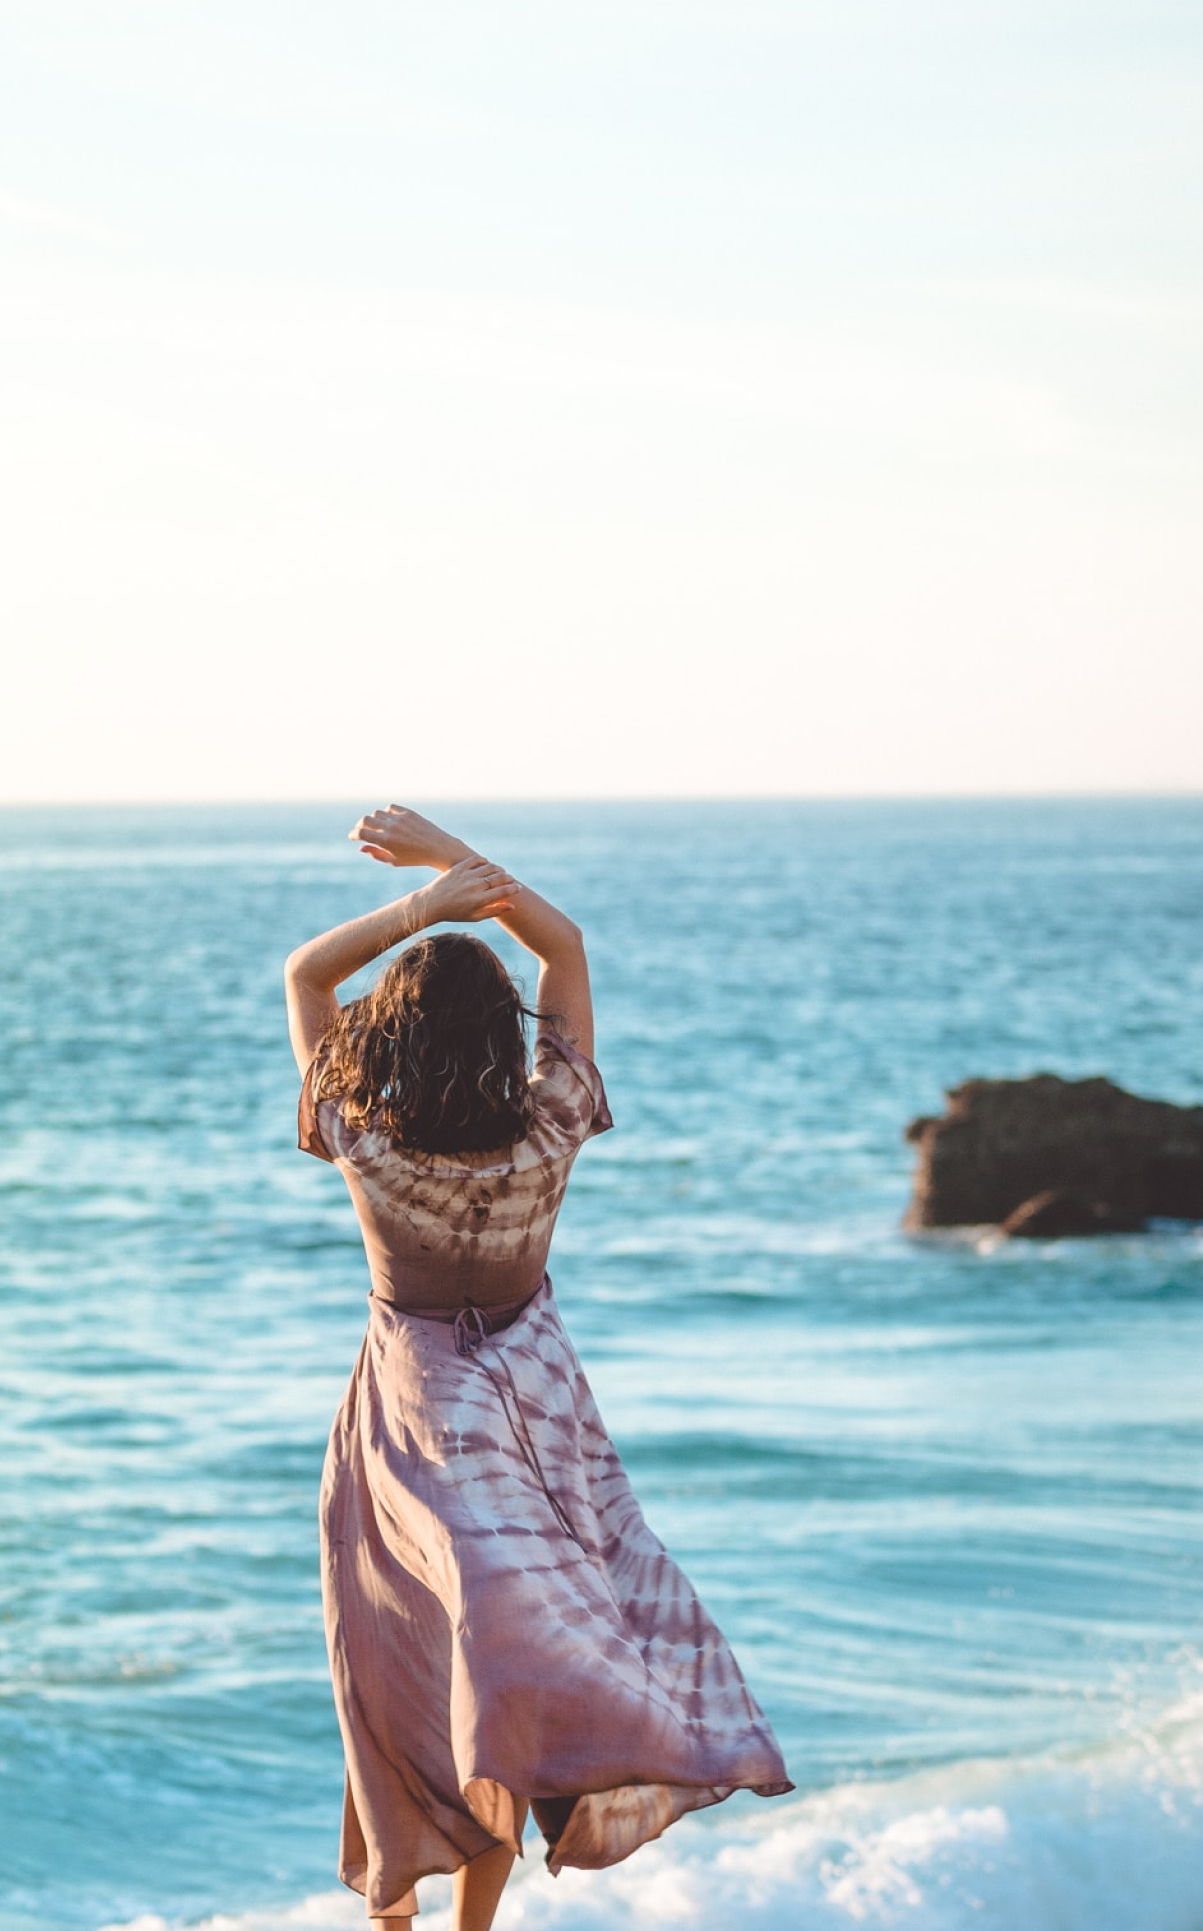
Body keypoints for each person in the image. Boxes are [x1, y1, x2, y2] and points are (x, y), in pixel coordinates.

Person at [285, 805, 791, 1927]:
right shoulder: (551, 1115)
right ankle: (446, 1917)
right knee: (504, 1668)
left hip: (417, 1412)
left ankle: (398, 1910)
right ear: (502, 1032)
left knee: (405, 1656)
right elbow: (565, 950)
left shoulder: (362, 1130)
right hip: (541, 1400)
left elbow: (307, 970)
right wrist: (460, 862)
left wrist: (424, 901)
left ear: (391, 1037)